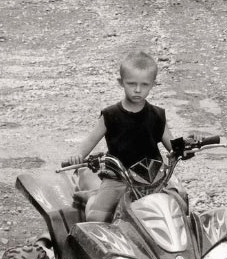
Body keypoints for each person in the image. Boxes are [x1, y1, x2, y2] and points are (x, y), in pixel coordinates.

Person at [66, 49, 174, 222]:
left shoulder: (157, 115)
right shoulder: (110, 115)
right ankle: (92, 199)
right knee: (97, 218)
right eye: (131, 84)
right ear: (121, 82)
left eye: (144, 85)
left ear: (153, 84)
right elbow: (91, 139)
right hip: (118, 177)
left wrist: (188, 146)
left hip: (152, 179)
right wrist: (78, 155)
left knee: (178, 208)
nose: (138, 90)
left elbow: (173, 146)